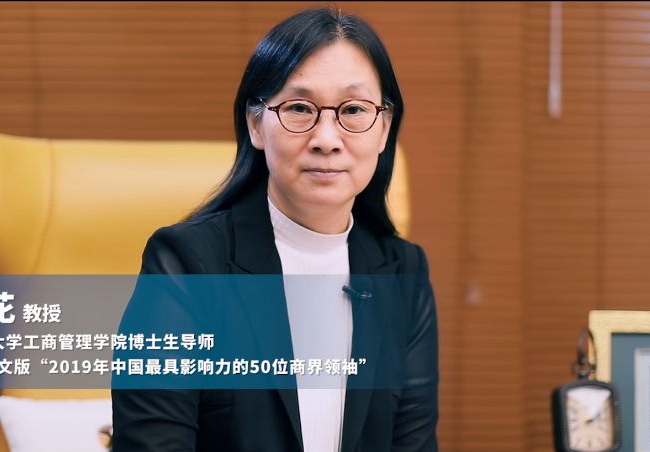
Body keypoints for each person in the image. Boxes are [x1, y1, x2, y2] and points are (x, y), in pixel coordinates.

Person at [112, 7, 438, 452]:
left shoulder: (403, 272)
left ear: (383, 130)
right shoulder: (187, 263)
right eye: (299, 108)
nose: (327, 139)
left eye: (354, 110)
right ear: (255, 125)